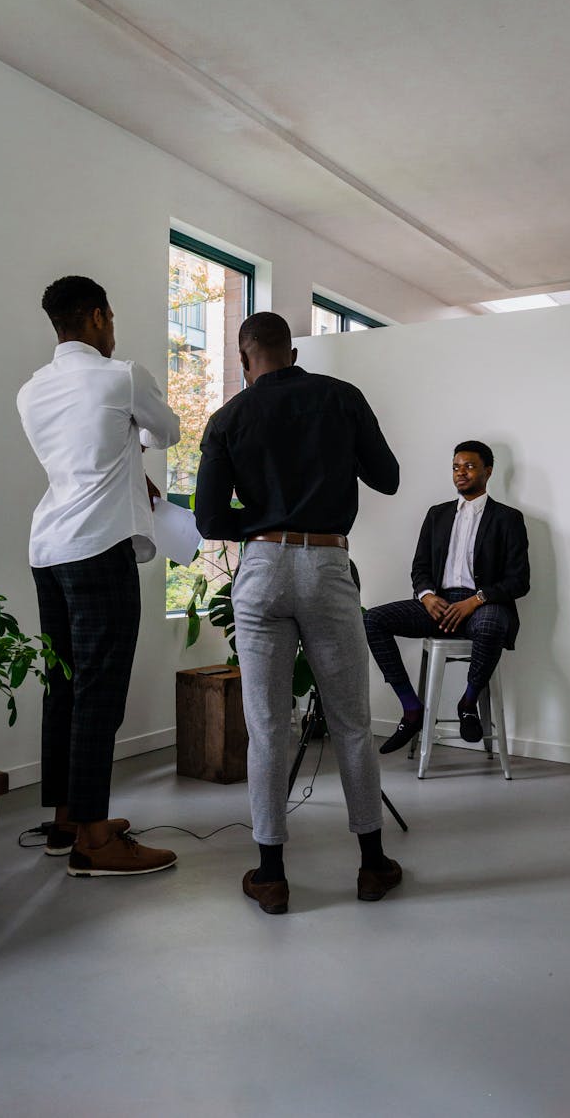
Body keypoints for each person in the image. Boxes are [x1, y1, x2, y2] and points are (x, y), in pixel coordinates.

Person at [194, 311, 401, 914]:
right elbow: (386, 477)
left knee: (267, 726)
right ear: (291, 350)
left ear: (243, 357)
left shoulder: (228, 417)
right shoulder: (341, 398)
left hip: (259, 570)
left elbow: (209, 521)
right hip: (327, 563)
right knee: (352, 723)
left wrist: (260, 527)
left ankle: (271, 873)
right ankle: (371, 864)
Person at [17, 275, 180, 877]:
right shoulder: (123, 375)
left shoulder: (31, 391)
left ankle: (65, 819)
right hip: (99, 548)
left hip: (48, 549)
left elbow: (83, 454)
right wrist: (134, 436)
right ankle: (94, 840)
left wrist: (123, 447)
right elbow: (169, 432)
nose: (114, 329)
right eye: (110, 319)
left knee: (65, 684)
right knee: (100, 691)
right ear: (96, 317)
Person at [364, 441, 529, 754]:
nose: (461, 473)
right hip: (439, 605)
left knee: (492, 625)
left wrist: (477, 599)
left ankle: (467, 703)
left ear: (488, 471)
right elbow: (420, 568)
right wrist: (426, 596)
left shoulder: (508, 518)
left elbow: (519, 581)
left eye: (469, 466)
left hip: (484, 605)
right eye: (456, 467)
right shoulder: (437, 515)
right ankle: (411, 709)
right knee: (373, 619)